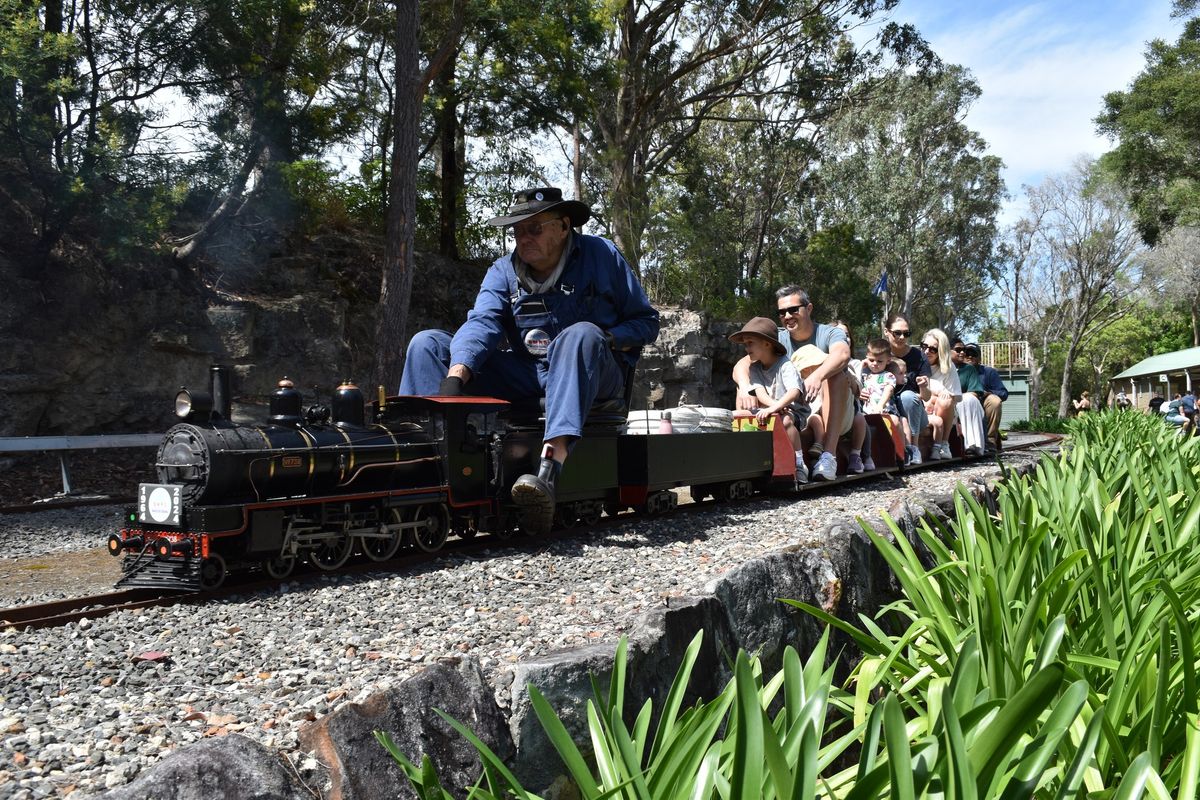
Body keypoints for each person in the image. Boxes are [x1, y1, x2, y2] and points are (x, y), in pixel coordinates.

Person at [398, 187, 660, 532]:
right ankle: (415, 462)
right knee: (427, 344)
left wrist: (607, 339)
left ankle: (548, 475)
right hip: (529, 373)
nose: (524, 238)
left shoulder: (601, 255)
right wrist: (456, 377)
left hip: (595, 374)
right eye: (517, 231)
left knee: (580, 334)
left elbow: (646, 322)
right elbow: (483, 323)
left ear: (564, 226)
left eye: (534, 228)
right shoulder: (502, 272)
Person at [733, 287, 851, 481]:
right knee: (743, 384)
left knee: (836, 375)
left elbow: (842, 355)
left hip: (828, 408)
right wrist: (746, 387)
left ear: (809, 308)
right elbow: (741, 365)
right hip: (788, 407)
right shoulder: (775, 338)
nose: (787, 316)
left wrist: (818, 375)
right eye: (782, 312)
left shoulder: (829, 333)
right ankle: (747, 450)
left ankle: (829, 456)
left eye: (793, 310)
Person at [729, 317, 810, 483]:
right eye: (745, 344)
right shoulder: (754, 367)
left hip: (792, 411)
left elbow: (794, 392)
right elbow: (760, 393)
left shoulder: (784, 365)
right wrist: (774, 407)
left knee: (786, 420)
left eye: (750, 343)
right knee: (736, 416)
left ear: (767, 343)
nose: (746, 348)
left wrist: (778, 407)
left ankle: (799, 462)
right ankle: (745, 461)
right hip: (769, 409)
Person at [883, 313, 930, 464]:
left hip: (915, 413)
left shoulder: (919, 357)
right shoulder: (879, 356)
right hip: (888, 408)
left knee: (908, 396)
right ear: (886, 331)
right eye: (897, 333)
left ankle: (913, 449)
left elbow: (927, 397)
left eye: (906, 333)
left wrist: (923, 387)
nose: (902, 337)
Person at [920, 328, 972, 460]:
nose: (927, 351)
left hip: (941, 410)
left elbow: (954, 397)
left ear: (941, 351)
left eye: (933, 349)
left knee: (946, 400)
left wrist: (934, 398)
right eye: (924, 346)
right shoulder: (915, 362)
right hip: (920, 406)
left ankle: (943, 443)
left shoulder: (948, 368)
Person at [832, 320, 872, 473]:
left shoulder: (854, 364)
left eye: (846, 335)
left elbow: (858, 389)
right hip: (830, 409)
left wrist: (850, 379)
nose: (843, 338)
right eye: (838, 335)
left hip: (850, 410)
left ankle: (858, 455)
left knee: (860, 419)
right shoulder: (823, 361)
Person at [859, 338, 908, 459]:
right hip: (867, 411)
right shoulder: (865, 375)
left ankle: (902, 450)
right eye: (871, 360)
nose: (875, 364)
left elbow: (889, 389)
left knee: (895, 422)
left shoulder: (888, 375)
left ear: (888, 361)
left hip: (886, 409)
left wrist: (881, 405)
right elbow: (857, 382)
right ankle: (869, 455)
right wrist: (861, 365)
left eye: (879, 361)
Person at [948, 338, 989, 455]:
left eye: (963, 350)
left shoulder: (969, 369)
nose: (962, 352)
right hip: (945, 402)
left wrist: (958, 398)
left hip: (964, 403)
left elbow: (975, 392)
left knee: (969, 400)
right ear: (948, 350)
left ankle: (973, 445)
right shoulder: (942, 368)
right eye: (958, 350)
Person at [966, 343, 1008, 453]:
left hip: (983, 404)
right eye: (967, 354)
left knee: (995, 401)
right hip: (964, 405)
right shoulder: (956, 371)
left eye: (973, 354)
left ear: (979, 358)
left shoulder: (989, 372)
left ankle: (990, 440)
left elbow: (1003, 393)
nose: (970, 357)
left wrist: (987, 393)